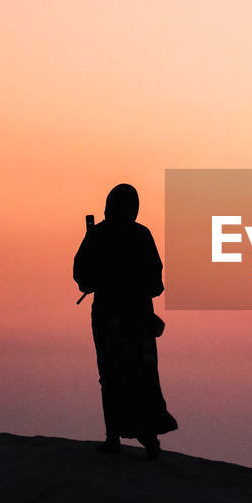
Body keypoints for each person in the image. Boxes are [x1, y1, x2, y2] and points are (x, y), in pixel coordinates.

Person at [73, 183, 177, 458]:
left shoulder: (103, 235)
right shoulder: (139, 235)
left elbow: (82, 276)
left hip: (116, 317)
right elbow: (156, 284)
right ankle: (145, 441)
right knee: (135, 376)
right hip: (129, 318)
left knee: (115, 376)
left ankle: (119, 438)